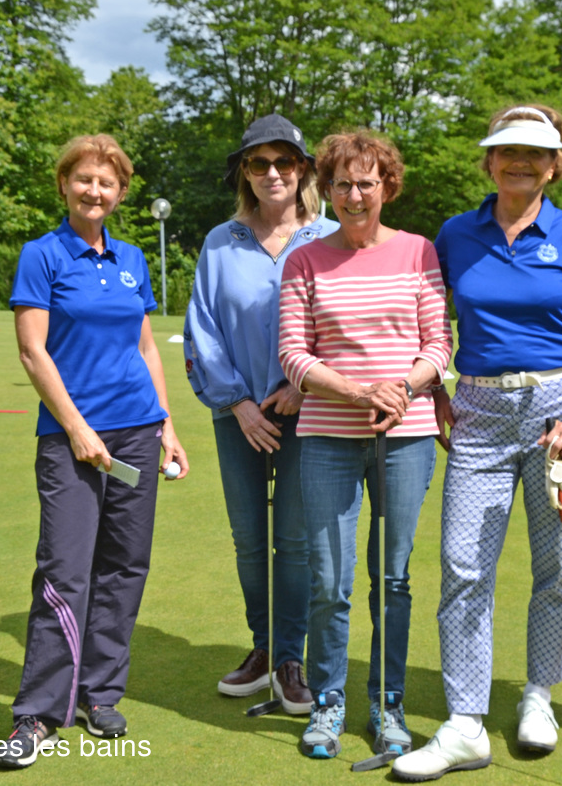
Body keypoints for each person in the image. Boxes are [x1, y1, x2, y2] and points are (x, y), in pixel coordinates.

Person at [393, 105, 562, 781]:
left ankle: (538, 695)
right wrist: (436, 390)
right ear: (489, 160)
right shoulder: (456, 234)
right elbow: (428, 321)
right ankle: (465, 722)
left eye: (536, 152)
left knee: (556, 566)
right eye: (508, 150)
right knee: (464, 566)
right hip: (480, 410)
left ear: (554, 165)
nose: (521, 161)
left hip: (558, 412)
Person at [0, 134, 189, 769]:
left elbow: (146, 347)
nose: (94, 191)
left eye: (107, 182)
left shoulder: (132, 258)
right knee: (64, 571)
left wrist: (167, 425)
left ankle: (100, 693)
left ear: (121, 192)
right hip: (71, 439)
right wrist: (77, 428)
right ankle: (38, 713)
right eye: (83, 179)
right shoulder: (42, 255)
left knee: (125, 566)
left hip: (138, 431)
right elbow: (33, 352)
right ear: (64, 184)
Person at [278, 130, 453, 760]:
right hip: (328, 437)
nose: (355, 196)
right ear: (326, 189)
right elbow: (293, 355)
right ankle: (328, 701)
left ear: (388, 187)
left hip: (405, 438)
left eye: (367, 183)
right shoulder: (304, 260)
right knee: (330, 581)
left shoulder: (419, 251)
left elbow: (438, 344)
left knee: (393, 578)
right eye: (343, 184)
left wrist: (401, 388)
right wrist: (359, 393)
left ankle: (387, 703)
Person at [183, 114, 338, 715]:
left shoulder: (329, 236)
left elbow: (342, 324)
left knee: (294, 543)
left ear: (302, 169)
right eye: (258, 163)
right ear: (244, 173)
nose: (273, 173)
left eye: (284, 161)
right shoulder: (221, 242)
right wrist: (239, 403)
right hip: (237, 414)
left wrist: (302, 386)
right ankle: (264, 647)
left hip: (310, 412)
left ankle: (290, 659)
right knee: (250, 540)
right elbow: (202, 329)